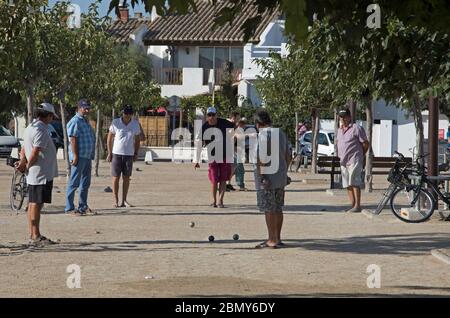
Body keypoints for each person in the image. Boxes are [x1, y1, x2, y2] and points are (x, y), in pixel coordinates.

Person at [15, 103, 59, 247]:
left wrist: (23, 162)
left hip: (39, 173)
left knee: (34, 203)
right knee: (35, 204)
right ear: (48, 115)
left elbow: (23, 149)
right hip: (40, 173)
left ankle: (34, 234)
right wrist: (26, 166)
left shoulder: (31, 127)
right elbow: (34, 151)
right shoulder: (40, 129)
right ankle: (35, 235)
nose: (52, 119)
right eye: (52, 116)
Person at [253, 110, 291, 249]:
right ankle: (278, 238)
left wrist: (262, 176)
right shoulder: (280, 133)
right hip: (280, 177)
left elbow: (260, 158)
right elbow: (288, 155)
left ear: (258, 124)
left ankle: (271, 239)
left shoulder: (262, 135)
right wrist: (284, 172)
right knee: (278, 208)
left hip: (267, 178)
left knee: (269, 209)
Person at [194, 106, 235, 208]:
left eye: (213, 115)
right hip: (212, 156)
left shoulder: (224, 122)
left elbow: (235, 125)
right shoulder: (204, 127)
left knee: (223, 179)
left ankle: (220, 201)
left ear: (216, 115)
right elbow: (199, 144)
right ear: (207, 117)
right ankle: (214, 200)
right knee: (214, 179)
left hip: (225, 155)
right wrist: (197, 160)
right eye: (209, 115)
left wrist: (232, 137)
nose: (211, 117)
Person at [65, 99, 96, 216]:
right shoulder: (75, 121)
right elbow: (73, 139)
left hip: (87, 156)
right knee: (74, 183)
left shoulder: (85, 121)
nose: (87, 110)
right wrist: (75, 155)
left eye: (88, 108)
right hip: (79, 157)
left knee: (85, 183)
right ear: (79, 108)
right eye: (85, 108)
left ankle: (83, 206)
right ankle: (69, 208)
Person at [107, 105, 141, 208]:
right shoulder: (116, 122)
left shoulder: (135, 124)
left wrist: (135, 153)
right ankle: (115, 200)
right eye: (125, 113)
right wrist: (109, 152)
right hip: (116, 154)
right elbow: (109, 138)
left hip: (129, 154)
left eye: (129, 113)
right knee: (115, 177)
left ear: (131, 114)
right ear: (122, 113)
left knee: (126, 178)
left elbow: (137, 140)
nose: (127, 115)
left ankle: (124, 200)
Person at [336, 108, 369, 213]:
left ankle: (358, 206)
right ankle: (352, 205)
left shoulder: (356, 128)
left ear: (349, 117)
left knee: (354, 182)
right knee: (347, 184)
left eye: (345, 116)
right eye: (341, 117)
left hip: (354, 159)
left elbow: (365, 143)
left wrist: (361, 155)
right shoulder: (339, 130)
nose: (343, 119)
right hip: (343, 161)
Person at [226, 111, 241, 191]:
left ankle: (228, 183)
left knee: (233, 165)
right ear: (233, 117)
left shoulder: (235, 126)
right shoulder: (228, 124)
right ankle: (225, 183)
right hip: (225, 149)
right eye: (238, 118)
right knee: (230, 166)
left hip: (231, 148)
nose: (239, 119)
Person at [234, 117, 248, 191]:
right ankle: (241, 186)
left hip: (237, 152)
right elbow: (234, 142)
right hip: (236, 153)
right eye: (244, 123)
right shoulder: (238, 131)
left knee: (234, 170)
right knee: (240, 170)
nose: (245, 125)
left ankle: (226, 184)